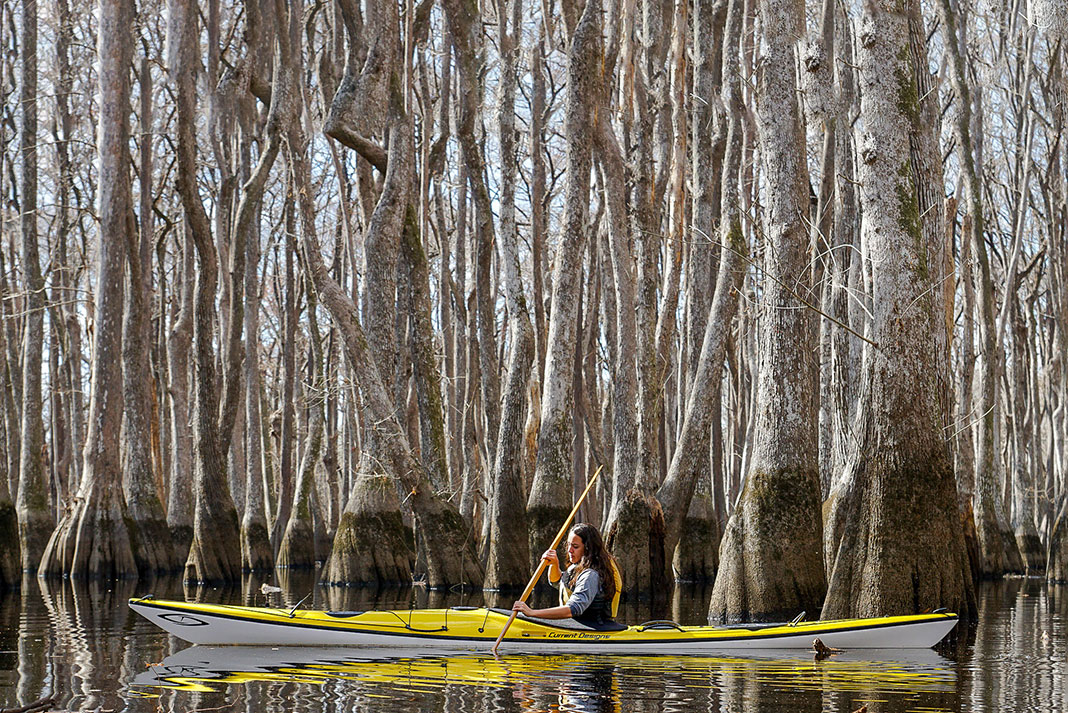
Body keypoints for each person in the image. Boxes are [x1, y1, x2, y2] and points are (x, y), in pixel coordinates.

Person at [511, 523, 622, 628]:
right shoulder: (577, 567)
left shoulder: (590, 575)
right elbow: (558, 583)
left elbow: (573, 609)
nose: (569, 550)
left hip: (593, 628)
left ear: (588, 548)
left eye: (575, 546)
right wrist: (554, 564)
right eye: (568, 545)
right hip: (575, 625)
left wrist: (532, 613)